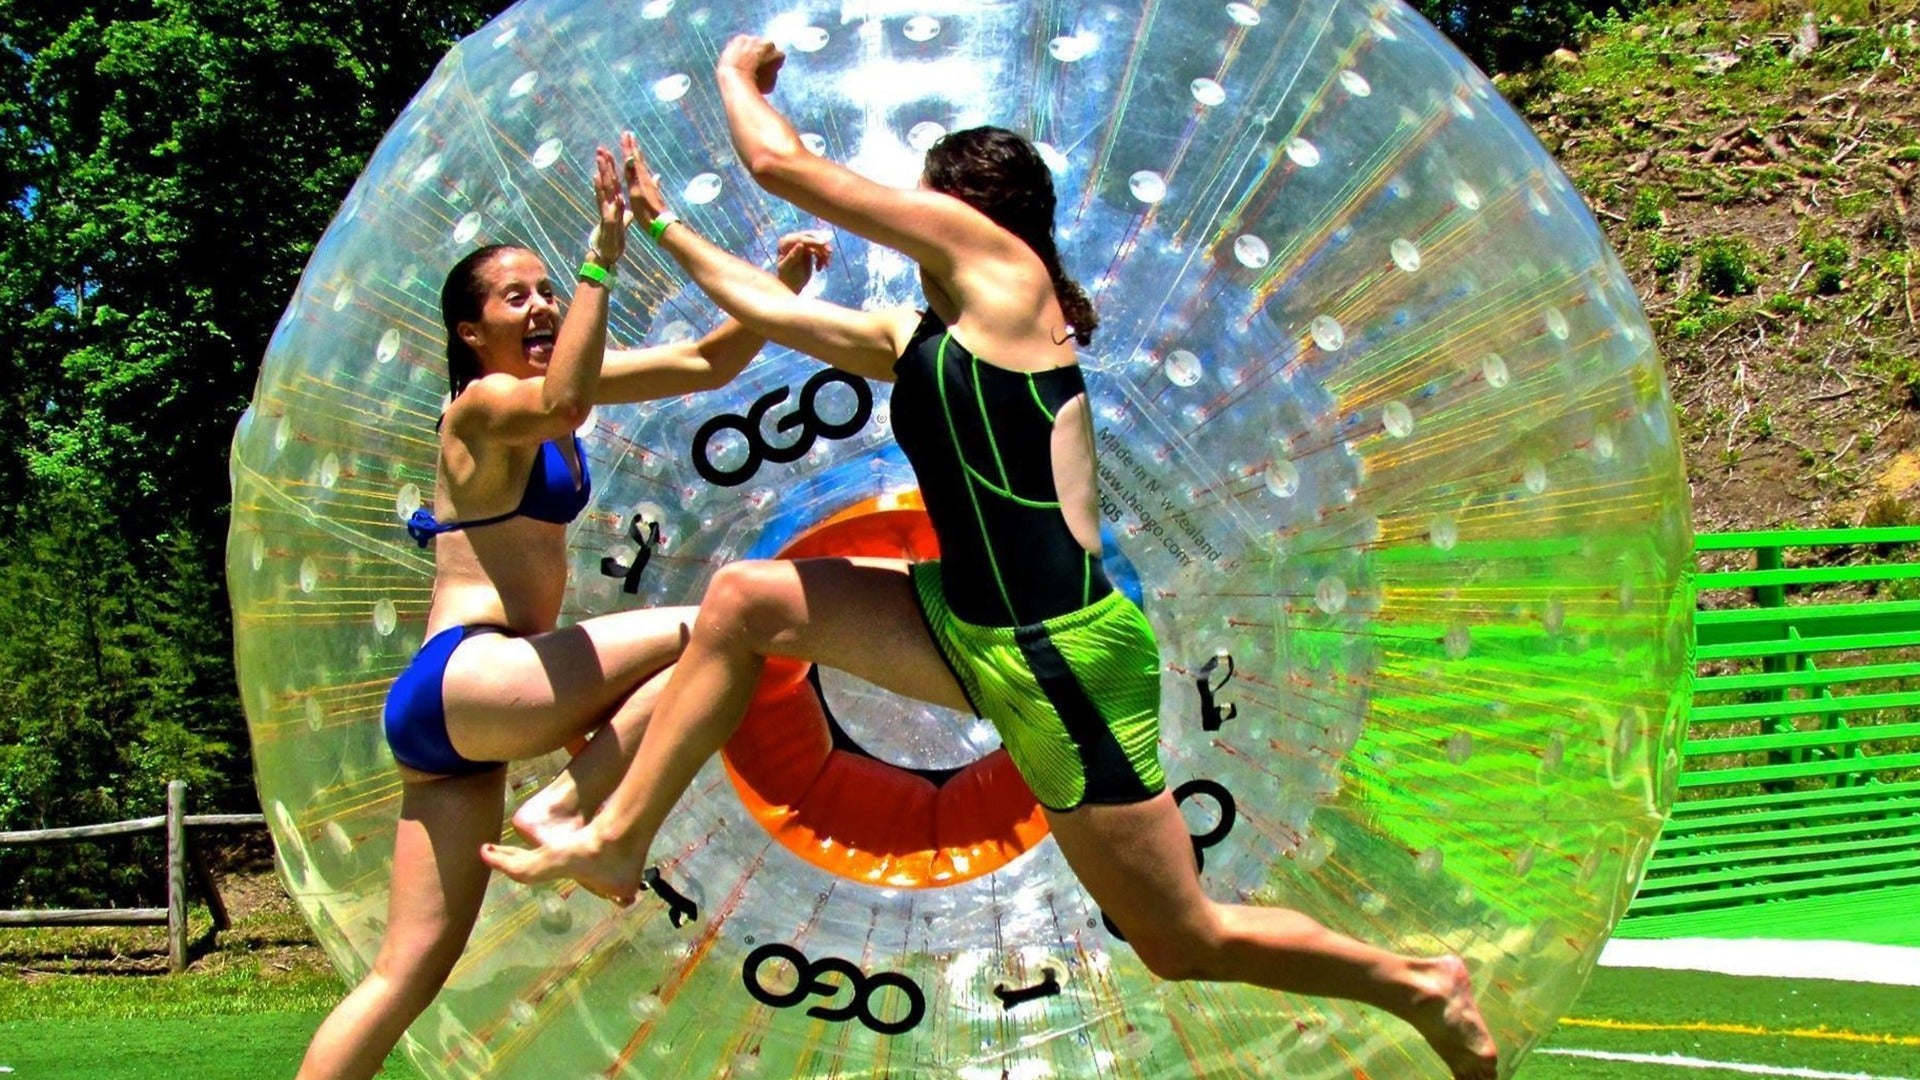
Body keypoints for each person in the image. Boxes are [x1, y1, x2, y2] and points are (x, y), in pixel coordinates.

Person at [482, 39, 1500, 1080]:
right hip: (968, 626)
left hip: (1062, 660)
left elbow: (785, 169)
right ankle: (616, 838)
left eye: (928, 203)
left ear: (970, 211)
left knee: (1180, 940)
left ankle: (1420, 985)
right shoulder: (925, 333)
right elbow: (773, 311)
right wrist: (659, 226)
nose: (912, 220)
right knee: (746, 600)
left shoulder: (1010, 281)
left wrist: (736, 77)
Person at [295, 143, 827, 1080]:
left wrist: (780, 287)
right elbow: (565, 398)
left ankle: (567, 808)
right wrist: (601, 255)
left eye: (548, 291)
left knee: (407, 972)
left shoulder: (543, 389)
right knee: (720, 624)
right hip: (471, 669)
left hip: (462, 711)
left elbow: (709, 361)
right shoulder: (482, 408)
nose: (541, 305)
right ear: (469, 332)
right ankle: (567, 810)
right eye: (516, 298)